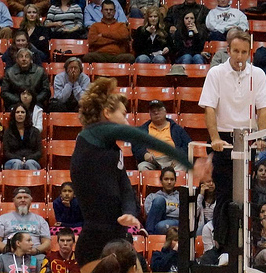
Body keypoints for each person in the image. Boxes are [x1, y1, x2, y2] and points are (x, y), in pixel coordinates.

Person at [70, 77, 192, 271]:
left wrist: (129, 212)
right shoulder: (91, 135)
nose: (127, 121)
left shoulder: (111, 149)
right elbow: (141, 136)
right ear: (107, 113)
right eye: (124, 114)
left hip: (119, 238)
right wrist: (189, 163)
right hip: (95, 241)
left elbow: (125, 186)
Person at [198, 30, 266, 250]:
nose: (240, 57)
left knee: (245, 194)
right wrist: (214, 138)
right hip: (224, 138)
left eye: (244, 52)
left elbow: (264, 108)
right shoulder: (216, 73)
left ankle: (244, 244)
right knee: (225, 193)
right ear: (228, 50)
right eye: (236, 51)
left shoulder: (257, 74)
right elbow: (209, 107)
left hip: (247, 138)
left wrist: (261, 137)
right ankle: (224, 246)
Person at [0, 187, 51, 257]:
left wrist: (36, 250)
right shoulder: (2, 219)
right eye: (19, 198)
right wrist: (11, 250)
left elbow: (47, 243)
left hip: (34, 255)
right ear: (14, 200)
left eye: (26, 197)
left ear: (31, 200)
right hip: (9, 254)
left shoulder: (40, 220)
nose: (23, 200)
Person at [132, 100, 191, 171]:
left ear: (165, 111)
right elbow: (136, 146)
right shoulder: (143, 129)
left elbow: (188, 145)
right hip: (152, 161)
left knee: (183, 166)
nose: (156, 113)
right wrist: (144, 154)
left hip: (172, 160)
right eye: (153, 111)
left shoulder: (176, 128)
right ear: (150, 114)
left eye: (159, 110)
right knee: (142, 167)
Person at [2, 102, 42, 169]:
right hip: (13, 161)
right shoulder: (8, 132)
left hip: (31, 160)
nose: (20, 114)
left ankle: (33, 179)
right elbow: (6, 152)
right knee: (17, 163)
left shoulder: (35, 131)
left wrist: (26, 159)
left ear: (26, 115)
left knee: (29, 163)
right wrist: (20, 159)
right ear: (13, 115)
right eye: (17, 112)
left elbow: (39, 152)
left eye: (22, 112)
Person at [144, 167, 180, 234]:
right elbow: (149, 213)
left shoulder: (180, 196)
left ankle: (149, 235)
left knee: (161, 225)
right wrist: (172, 208)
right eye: (166, 179)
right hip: (156, 222)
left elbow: (181, 214)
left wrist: (164, 208)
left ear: (175, 181)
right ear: (161, 181)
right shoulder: (152, 196)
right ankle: (149, 236)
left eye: (172, 179)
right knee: (159, 200)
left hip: (175, 222)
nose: (169, 182)